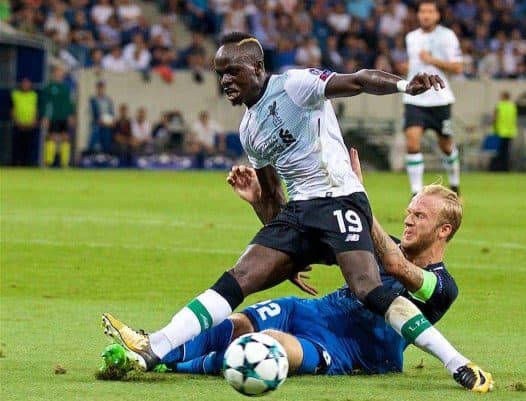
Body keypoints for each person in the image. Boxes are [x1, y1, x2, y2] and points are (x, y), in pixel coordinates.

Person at [102, 32, 491, 392]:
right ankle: (156, 346)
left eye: (233, 71)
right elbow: (274, 196)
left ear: (257, 67)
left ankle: (455, 362)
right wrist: (287, 257)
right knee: (240, 276)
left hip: (339, 198)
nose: (225, 81)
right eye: (220, 74)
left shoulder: (295, 85)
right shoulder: (249, 129)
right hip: (301, 210)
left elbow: (357, 80)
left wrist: (403, 85)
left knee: (366, 287)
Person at [102, 149, 492, 391]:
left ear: (444, 231)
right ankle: (148, 349)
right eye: (409, 212)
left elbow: (393, 264)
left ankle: (175, 364)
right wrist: (261, 203)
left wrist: (357, 198)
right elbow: (299, 241)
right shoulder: (376, 240)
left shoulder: (441, 286)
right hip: (312, 311)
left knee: (268, 346)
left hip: (350, 348)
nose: (408, 220)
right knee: (238, 323)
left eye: (419, 216)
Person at [402, 0, 463, 196]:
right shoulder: (411, 37)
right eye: (422, 11)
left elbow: (458, 67)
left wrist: (432, 61)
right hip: (415, 99)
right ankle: (415, 192)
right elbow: (414, 65)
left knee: (445, 145)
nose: (425, 15)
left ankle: (455, 182)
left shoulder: (447, 36)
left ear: (437, 15)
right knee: (412, 142)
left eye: (430, 11)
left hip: (439, 99)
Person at [41, 66, 74, 167]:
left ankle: (65, 164)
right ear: (54, 73)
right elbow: (45, 103)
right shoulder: (49, 87)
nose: (60, 74)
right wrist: (45, 116)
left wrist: (71, 115)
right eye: (58, 72)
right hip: (53, 117)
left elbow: (69, 103)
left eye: (62, 72)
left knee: (66, 138)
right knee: (52, 138)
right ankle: (48, 162)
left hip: (64, 117)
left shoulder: (66, 88)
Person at [10, 77, 38, 166]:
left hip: (30, 124)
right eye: (24, 83)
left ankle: (28, 163)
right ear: (21, 84)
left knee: (29, 146)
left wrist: (34, 120)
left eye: (27, 83)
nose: (26, 85)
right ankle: (15, 162)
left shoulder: (34, 95)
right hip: (18, 124)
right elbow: (12, 109)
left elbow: (35, 109)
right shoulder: (15, 94)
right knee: (17, 145)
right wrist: (16, 121)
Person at [490, 91, 518, 172]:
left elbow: (495, 118)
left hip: (501, 131)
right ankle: (506, 168)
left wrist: (494, 128)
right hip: (510, 132)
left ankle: (499, 168)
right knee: (506, 152)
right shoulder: (512, 106)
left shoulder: (499, 106)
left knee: (500, 152)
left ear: (504, 97)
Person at [88, 81, 115, 154]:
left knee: (107, 139)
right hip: (97, 123)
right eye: (99, 88)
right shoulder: (93, 100)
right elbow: (92, 113)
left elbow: (111, 113)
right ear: (97, 89)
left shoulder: (108, 100)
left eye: (102, 88)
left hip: (107, 124)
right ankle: (90, 155)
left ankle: (106, 155)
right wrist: (98, 120)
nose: (101, 90)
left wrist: (111, 121)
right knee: (94, 138)